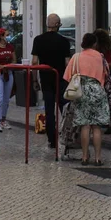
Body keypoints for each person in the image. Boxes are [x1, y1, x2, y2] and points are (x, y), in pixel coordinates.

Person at [63, 33, 110, 165]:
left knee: (85, 125)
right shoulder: (100, 57)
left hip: (82, 91)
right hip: (97, 90)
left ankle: (84, 157)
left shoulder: (76, 57)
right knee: (96, 127)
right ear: (95, 44)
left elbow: (67, 76)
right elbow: (106, 74)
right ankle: (98, 158)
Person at [31, 13, 72, 149]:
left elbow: (35, 62)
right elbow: (67, 63)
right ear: (57, 25)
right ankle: (67, 137)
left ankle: (51, 140)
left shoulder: (38, 40)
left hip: (45, 79)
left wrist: (35, 80)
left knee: (49, 109)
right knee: (64, 109)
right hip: (61, 79)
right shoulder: (64, 41)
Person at [94, 28, 111, 134]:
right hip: (106, 78)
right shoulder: (107, 49)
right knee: (107, 101)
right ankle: (110, 123)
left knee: (98, 101)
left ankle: (97, 123)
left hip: (96, 78)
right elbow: (110, 64)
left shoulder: (95, 50)